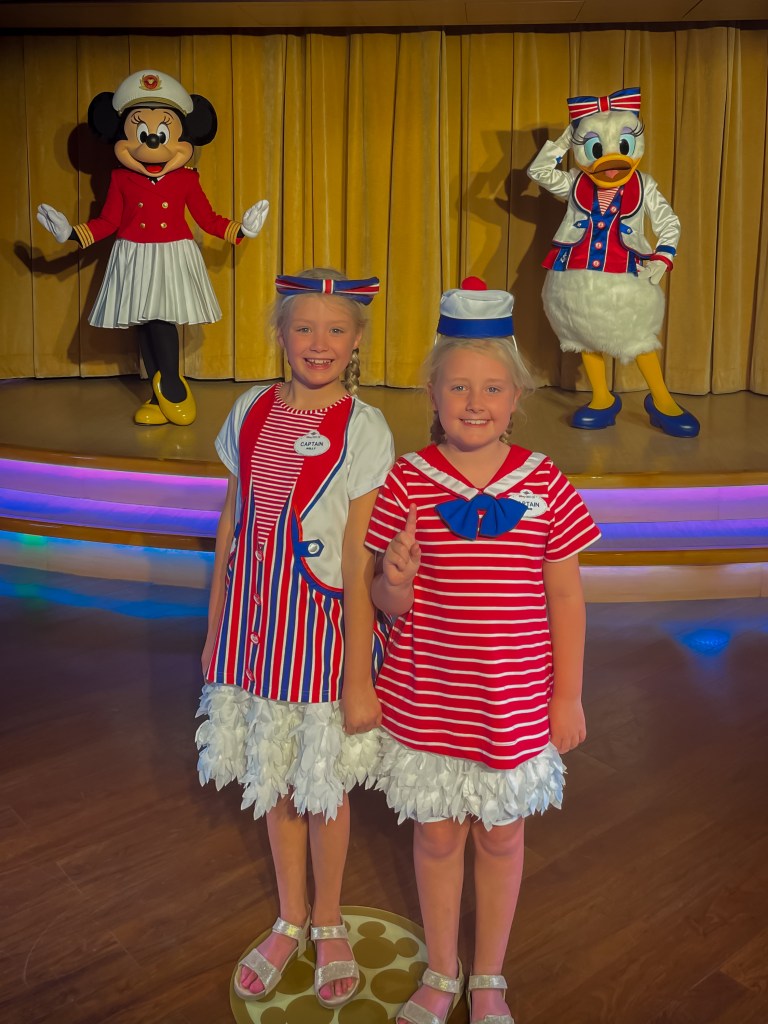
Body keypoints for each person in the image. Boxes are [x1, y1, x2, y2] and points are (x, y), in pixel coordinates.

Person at [365, 279, 601, 1024]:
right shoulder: (405, 480)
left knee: (501, 838)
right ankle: (443, 971)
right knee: (437, 839)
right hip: (429, 695)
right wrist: (393, 580)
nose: (475, 402)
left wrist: (567, 695)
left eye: (493, 387)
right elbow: (385, 602)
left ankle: (489, 976)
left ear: (517, 396)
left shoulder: (546, 482)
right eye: (458, 386)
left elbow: (566, 598)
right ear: (432, 394)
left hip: (514, 701)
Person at [195, 268, 394, 1007]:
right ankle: (290, 915)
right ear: (280, 334)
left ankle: (329, 918)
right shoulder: (248, 408)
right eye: (303, 327)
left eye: (336, 330)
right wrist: (216, 630)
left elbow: (360, 554)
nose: (319, 343)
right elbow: (231, 523)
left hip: (322, 632)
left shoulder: (365, 428)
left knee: (321, 785)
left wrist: (358, 675)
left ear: (357, 341)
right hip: (253, 629)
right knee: (273, 775)